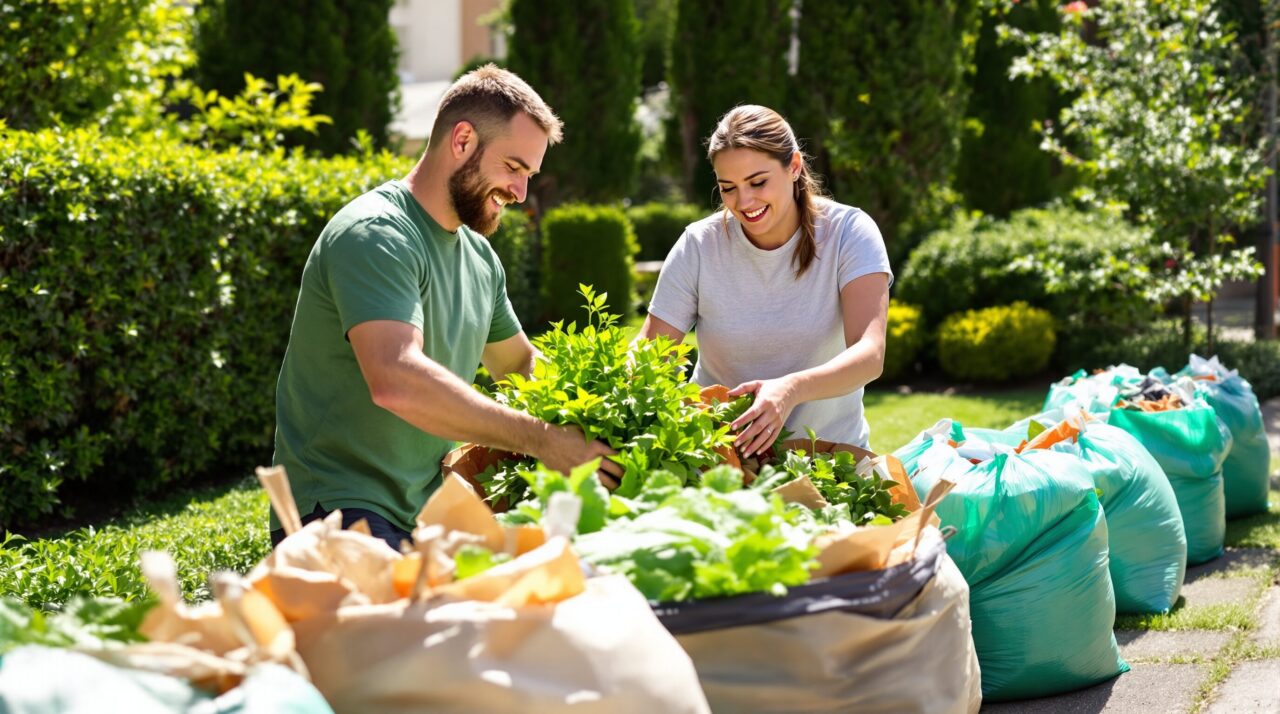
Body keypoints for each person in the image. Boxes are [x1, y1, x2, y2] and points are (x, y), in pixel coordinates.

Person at [271, 65, 619, 551]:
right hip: (338, 509)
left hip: (430, 514)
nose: (520, 193)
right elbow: (396, 380)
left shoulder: (480, 259)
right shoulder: (376, 234)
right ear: (462, 140)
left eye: (529, 175)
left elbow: (519, 366)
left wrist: (605, 416)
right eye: (513, 167)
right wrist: (541, 438)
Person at [639, 105, 891, 457]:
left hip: (832, 458)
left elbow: (869, 354)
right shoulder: (699, 245)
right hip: (723, 458)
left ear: (794, 166)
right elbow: (651, 356)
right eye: (728, 187)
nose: (744, 201)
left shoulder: (849, 233)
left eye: (758, 182)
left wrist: (791, 389)